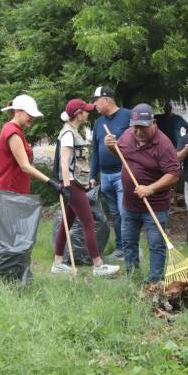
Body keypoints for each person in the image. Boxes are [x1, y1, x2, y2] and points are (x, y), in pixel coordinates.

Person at [104, 103, 180, 283]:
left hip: (155, 206)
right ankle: (133, 279)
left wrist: (151, 188)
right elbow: (121, 155)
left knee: (156, 245)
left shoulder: (163, 144)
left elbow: (174, 174)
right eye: (135, 127)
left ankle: (155, 282)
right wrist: (112, 148)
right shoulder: (127, 135)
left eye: (143, 127)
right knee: (128, 244)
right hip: (129, 205)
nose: (138, 132)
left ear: (153, 123)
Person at [51, 99, 120, 276]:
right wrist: (68, 187)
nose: (89, 113)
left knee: (66, 224)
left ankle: (57, 264)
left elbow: (77, 162)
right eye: (86, 110)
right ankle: (98, 266)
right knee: (88, 223)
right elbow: (64, 163)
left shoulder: (73, 132)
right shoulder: (68, 134)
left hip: (75, 184)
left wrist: (86, 181)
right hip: (72, 185)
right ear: (78, 114)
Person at [89, 86, 132, 261]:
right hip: (105, 176)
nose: (94, 104)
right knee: (115, 214)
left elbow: (136, 142)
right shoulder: (99, 122)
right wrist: (93, 175)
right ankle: (120, 248)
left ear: (106, 100)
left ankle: (131, 247)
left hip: (122, 173)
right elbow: (95, 151)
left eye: (96, 100)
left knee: (124, 212)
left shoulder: (127, 116)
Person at [0, 94, 61, 196]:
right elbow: (25, 166)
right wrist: (50, 182)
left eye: (33, 115)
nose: (32, 118)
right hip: (9, 192)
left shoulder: (17, 131)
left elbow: (27, 165)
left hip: (15, 192)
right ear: (17, 111)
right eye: (29, 114)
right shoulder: (12, 132)